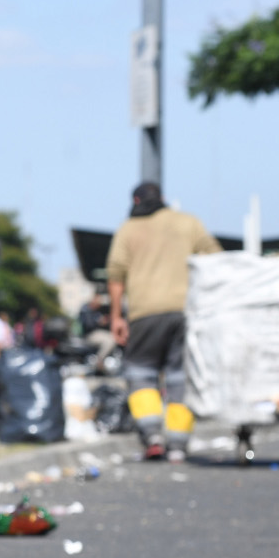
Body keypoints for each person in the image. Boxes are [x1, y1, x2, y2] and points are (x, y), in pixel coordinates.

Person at [106, 181, 220, 462]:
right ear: (164, 198)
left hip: (144, 313)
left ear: (135, 200)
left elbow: (116, 276)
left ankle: (152, 435)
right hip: (185, 312)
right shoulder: (188, 223)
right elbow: (215, 258)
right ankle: (179, 445)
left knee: (140, 372)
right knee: (180, 377)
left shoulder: (128, 229)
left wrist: (117, 316)